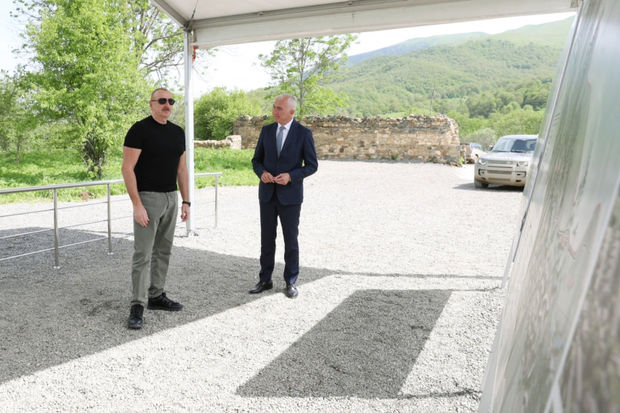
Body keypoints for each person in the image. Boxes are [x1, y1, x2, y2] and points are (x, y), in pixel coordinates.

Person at [121, 87, 190, 329]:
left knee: (163, 251)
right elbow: (127, 168)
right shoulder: (139, 130)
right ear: (151, 104)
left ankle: (156, 295)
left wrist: (186, 201)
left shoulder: (178, 132)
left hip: (171, 197)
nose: (167, 105)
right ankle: (137, 305)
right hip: (148, 199)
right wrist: (137, 205)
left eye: (171, 100)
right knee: (143, 254)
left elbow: (182, 169)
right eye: (162, 101)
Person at [250, 94, 318, 298]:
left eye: (279, 108)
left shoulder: (304, 134)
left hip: (291, 197)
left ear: (291, 111)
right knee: (266, 239)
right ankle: (265, 279)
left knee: (291, 240)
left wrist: (291, 176)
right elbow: (256, 160)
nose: (274, 111)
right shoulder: (266, 131)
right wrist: (262, 173)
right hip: (267, 195)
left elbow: (312, 165)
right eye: (274, 107)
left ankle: (291, 281)